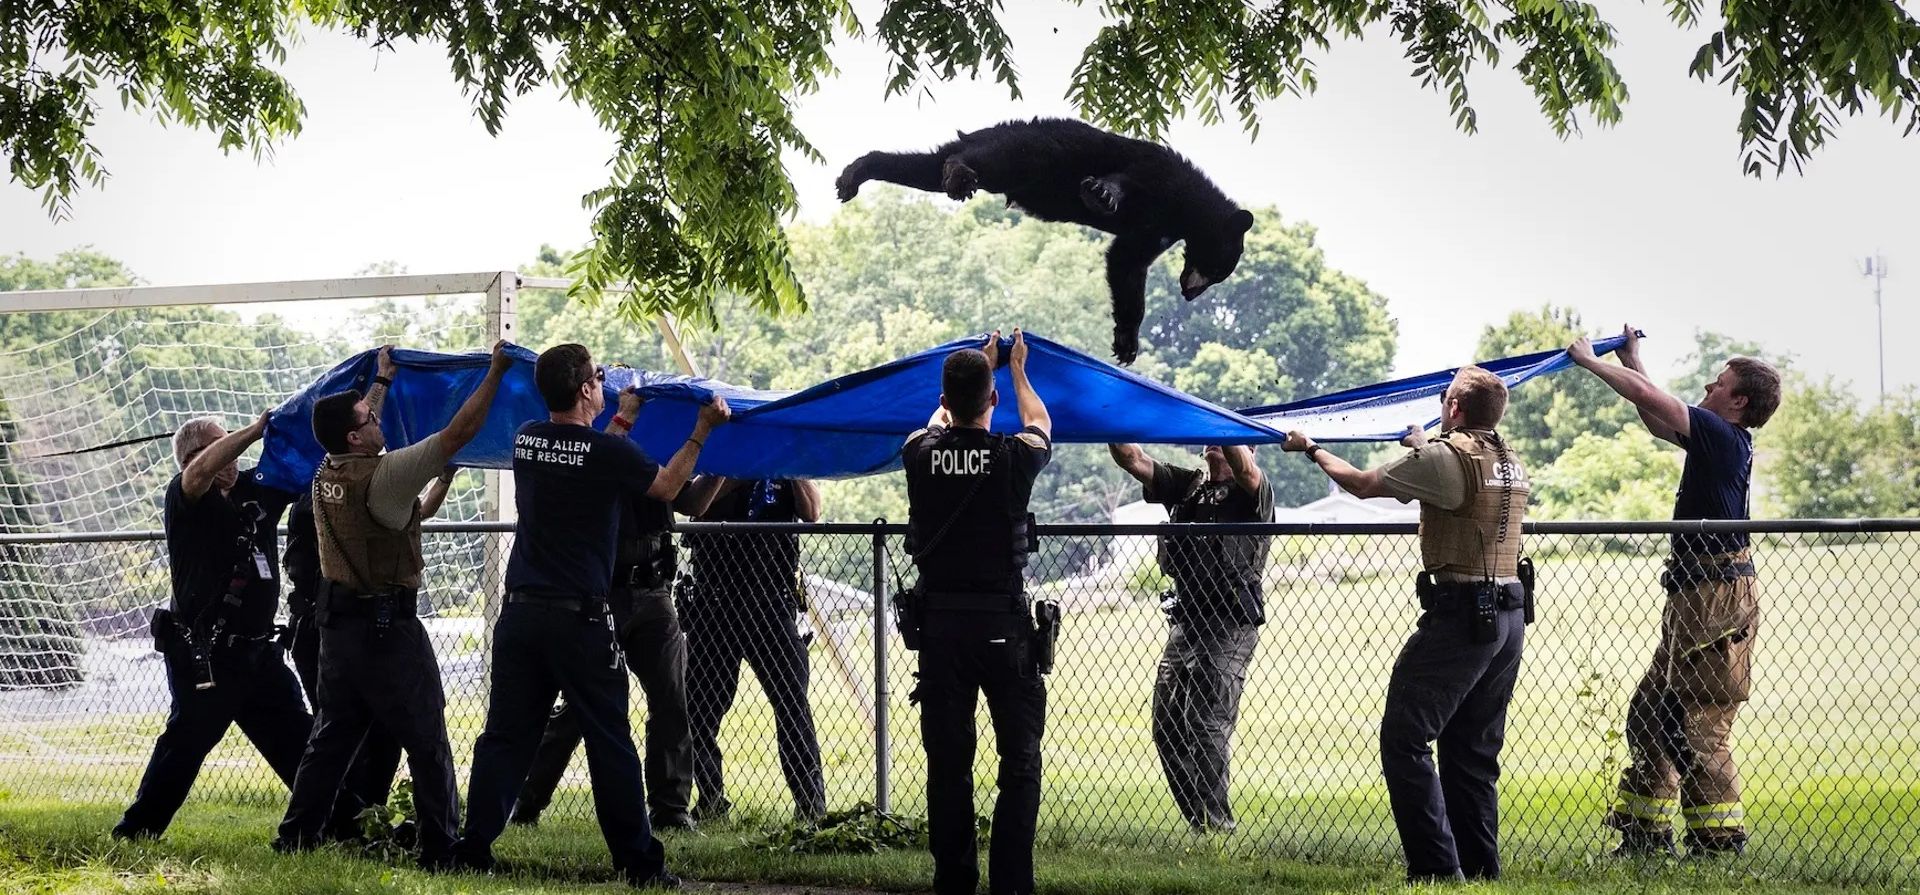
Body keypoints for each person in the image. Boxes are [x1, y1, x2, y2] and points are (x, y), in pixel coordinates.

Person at [452, 343, 727, 890]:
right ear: (584, 391)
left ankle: (473, 846)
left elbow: (593, 453)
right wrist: (702, 430)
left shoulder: (528, 440)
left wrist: (622, 416)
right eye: (597, 377)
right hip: (579, 620)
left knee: (505, 737)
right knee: (610, 740)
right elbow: (669, 487)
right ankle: (639, 864)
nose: (603, 383)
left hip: (521, 616)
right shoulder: (604, 453)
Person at [1285, 365, 1532, 882]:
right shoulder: (1506, 459)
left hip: (1463, 615)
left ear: (1454, 408)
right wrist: (1425, 442)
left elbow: (1360, 484)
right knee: (1472, 749)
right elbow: (1447, 470)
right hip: (1509, 615)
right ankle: (1481, 868)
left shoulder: (1444, 458)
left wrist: (1310, 447)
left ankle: (1437, 870)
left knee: (1406, 738)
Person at [272, 342, 511, 867]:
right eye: (368, 417)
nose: (379, 419)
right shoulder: (386, 475)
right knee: (427, 737)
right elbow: (458, 435)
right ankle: (441, 848)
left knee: (332, 738)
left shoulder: (327, 472)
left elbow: (362, 428)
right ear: (357, 437)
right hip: (387, 630)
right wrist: (494, 373)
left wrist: (379, 380)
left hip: (338, 628)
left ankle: (295, 838)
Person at [1570, 327, 1781, 857]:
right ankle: (1646, 836)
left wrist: (1588, 364)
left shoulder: (1722, 434)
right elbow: (1656, 415)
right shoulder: (1715, 437)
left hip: (1715, 596)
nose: (1709, 385)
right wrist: (1633, 358)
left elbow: (1648, 398)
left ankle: (1718, 843)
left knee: (1696, 722)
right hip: (1695, 592)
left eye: (1720, 382)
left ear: (1739, 401)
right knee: (1651, 712)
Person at [901, 329, 1052, 895]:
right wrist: (1015, 369)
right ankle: (1011, 883)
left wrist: (978, 369)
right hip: (1003, 631)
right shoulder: (1014, 457)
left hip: (940, 631)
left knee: (947, 763)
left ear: (944, 400)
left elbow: (932, 428)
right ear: (993, 401)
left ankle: (954, 880)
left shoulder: (920, 453)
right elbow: (1041, 424)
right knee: (1019, 759)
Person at [113, 413, 308, 840]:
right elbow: (199, 472)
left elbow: (307, 462)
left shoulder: (253, 494)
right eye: (224, 446)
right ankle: (136, 831)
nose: (235, 456)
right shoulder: (186, 497)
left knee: (298, 737)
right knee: (186, 745)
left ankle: (343, 823)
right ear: (193, 457)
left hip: (257, 653)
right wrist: (253, 431)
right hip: (206, 655)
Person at [511, 429, 695, 831]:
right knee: (581, 707)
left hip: (654, 590)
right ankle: (526, 801)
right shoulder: (594, 451)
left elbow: (690, 498)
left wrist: (725, 461)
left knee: (670, 699)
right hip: (602, 594)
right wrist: (694, 434)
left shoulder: (662, 450)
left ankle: (671, 809)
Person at [1105, 441, 1271, 832]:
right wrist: (1113, 412)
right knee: (1166, 726)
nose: (1215, 440)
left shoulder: (1255, 492)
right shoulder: (1188, 486)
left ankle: (1218, 826)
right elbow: (1133, 459)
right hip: (1185, 622)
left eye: (1229, 436)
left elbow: (1245, 470)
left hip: (1229, 624)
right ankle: (1200, 822)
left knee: (1205, 721)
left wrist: (1221, 427)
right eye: (1210, 434)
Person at [678, 476, 827, 824]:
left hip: (772, 602)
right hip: (715, 601)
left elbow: (813, 512)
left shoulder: (784, 469)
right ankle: (711, 802)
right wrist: (742, 466)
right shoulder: (715, 457)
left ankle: (811, 809)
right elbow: (695, 506)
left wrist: (788, 465)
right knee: (698, 710)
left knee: (792, 705)